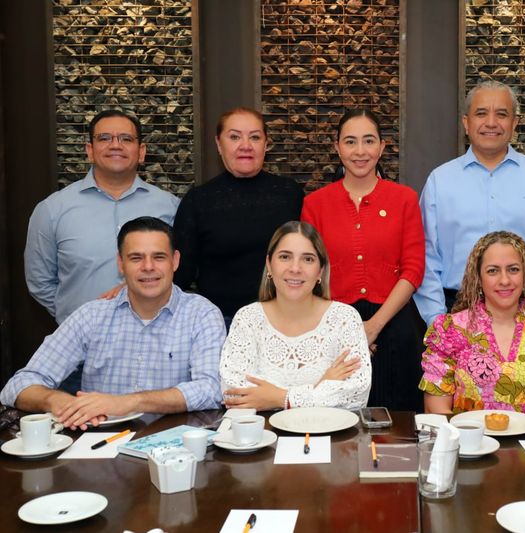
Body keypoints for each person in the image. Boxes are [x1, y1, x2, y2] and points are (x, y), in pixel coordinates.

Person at [1, 217, 226, 429]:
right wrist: (58, 401)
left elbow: (211, 389)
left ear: (175, 261)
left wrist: (129, 402)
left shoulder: (202, 314)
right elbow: (18, 385)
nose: (148, 267)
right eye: (136, 258)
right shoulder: (91, 316)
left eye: (159, 257)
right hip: (98, 447)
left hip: (177, 449)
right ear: (121, 263)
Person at [414, 80, 525, 327]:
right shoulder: (440, 181)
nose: (491, 123)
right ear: (466, 123)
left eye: (501, 114)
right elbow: (426, 257)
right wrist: (439, 322)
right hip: (456, 312)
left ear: (514, 123)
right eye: (481, 113)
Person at [301, 109, 425, 411]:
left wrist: (373, 327)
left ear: (382, 147)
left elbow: (413, 268)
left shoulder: (404, 198)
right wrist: (350, 332)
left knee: (397, 427)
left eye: (368, 141)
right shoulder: (315, 203)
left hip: (394, 322)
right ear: (337, 148)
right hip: (332, 323)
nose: (360, 151)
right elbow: (309, 271)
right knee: (337, 420)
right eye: (350, 142)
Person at [25, 109, 179, 325]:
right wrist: (78, 320)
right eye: (104, 138)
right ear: (89, 150)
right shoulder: (52, 210)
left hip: (157, 338)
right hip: (81, 346)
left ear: (141, 151)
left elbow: (180, 271)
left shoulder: (170, 207)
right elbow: (40, 282)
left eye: (126, 139)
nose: (115, 145)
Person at [173, 106, 304, 326]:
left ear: (265, 144)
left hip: (284, 320)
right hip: (219, 324)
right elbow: (180, 272)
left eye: (254, 137)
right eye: (234, 137)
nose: (245, 146)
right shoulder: (199, 200)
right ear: (218, 144)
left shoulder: (290, 194)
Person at [219, 221, 371, 410]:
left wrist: (280, 399)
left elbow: (356, 395)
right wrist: (319, 386)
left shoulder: (344, 318)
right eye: (285, 257)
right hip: (262, 436)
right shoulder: (248, 318)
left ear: (320, 271)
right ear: (269, 264)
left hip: (329, 436)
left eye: (308, 259)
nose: (295, 268)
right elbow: (234, 394)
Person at [419, 231, 525, 415]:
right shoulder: (450, 330)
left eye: (513, 269)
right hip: (467, 441)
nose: (504, 280)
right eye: (493, 271)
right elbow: (436, 408)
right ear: (478, 278)